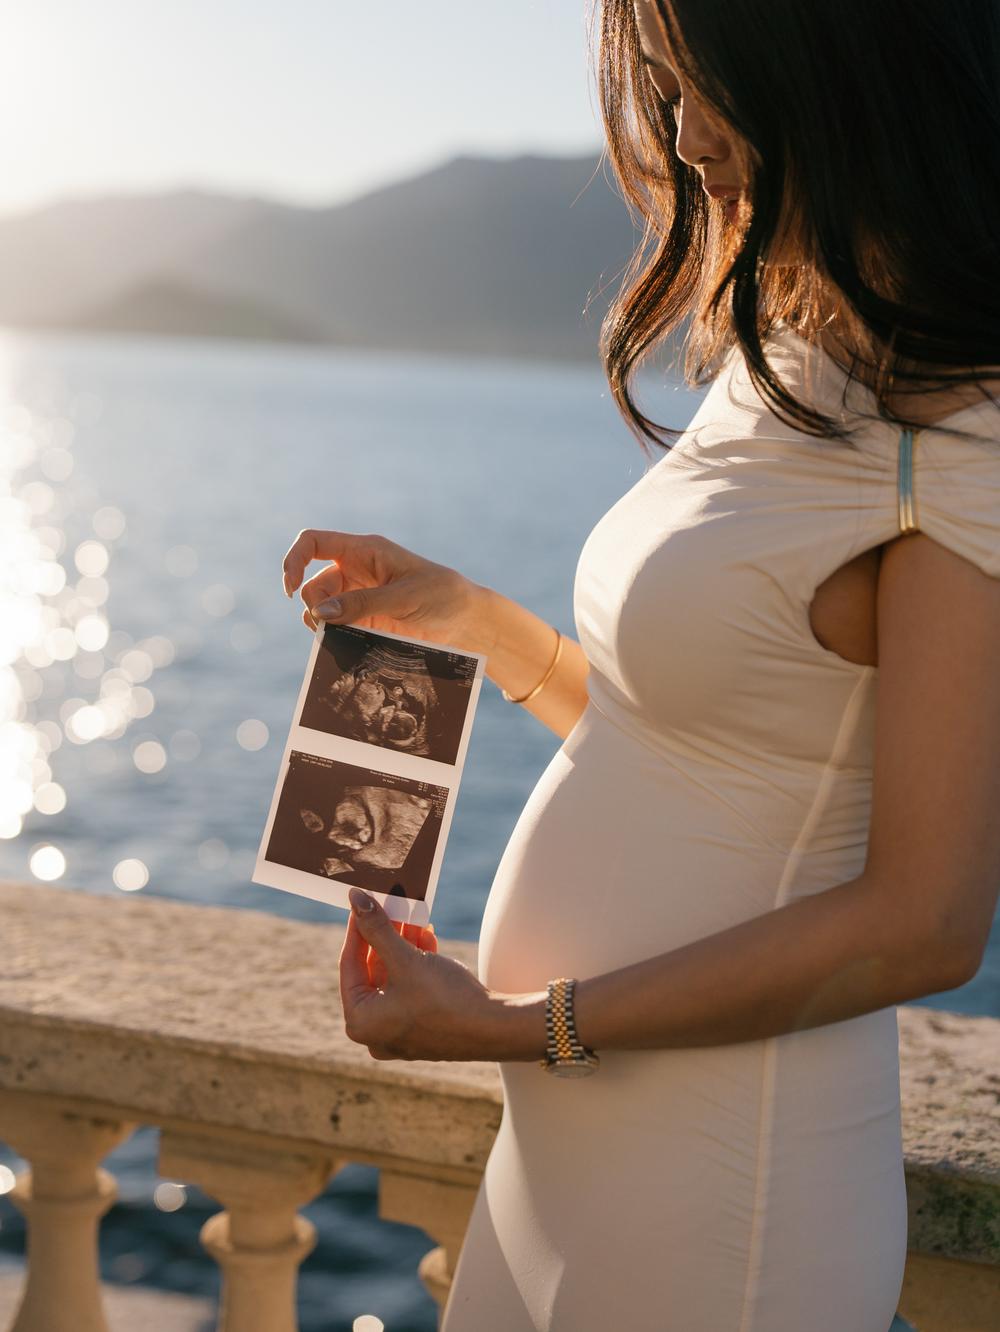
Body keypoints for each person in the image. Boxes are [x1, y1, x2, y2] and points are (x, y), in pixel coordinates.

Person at [281, 0, 1000, 1326]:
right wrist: (479, 621)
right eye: (665, 88)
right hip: (568, 1145)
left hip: (726, 1184)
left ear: (841, 72)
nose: (685, 134)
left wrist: (517, 1025)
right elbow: (683, 746)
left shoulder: (958, 444)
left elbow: (928, 921)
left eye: (704, 82)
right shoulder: (791, 360)